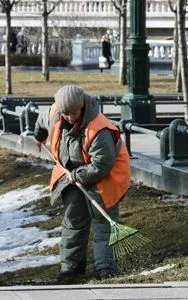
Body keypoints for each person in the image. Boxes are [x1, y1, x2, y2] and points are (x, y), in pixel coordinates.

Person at [34, 85, 131, 282]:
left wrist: (78, 176)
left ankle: (105, 269)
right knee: (73, 221)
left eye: (74, 113)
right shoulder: (55, 112)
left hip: (105, 176)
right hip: (72, 172)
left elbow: (102, 164)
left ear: (83, 107)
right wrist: (40, 136)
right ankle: (71, 269)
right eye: (65, 113)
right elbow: (41, 121)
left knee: (103, 223)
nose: (69, 117)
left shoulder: (99, 128)